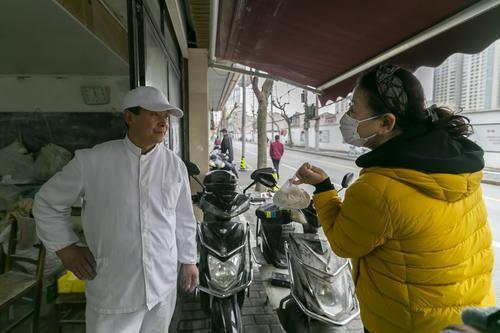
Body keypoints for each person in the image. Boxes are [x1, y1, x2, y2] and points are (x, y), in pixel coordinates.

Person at [293, 64, 495, 333]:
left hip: (407, 324)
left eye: (353, 109)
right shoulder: (459, 167)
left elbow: (343, 243)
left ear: (386, 123)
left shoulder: (378, 188)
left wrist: (323, 189)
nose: (347, 117)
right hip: (470, 317)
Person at [33, 86, 198, 333]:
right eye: (154, 114)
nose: (163, 121)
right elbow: (47, 202)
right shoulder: (93, 161)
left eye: (166, 116)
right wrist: (66, 249)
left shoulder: (174, 165)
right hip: (115, 290)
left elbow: (183, 217)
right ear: (129, 117)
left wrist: (189, 260)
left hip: (162, 288)